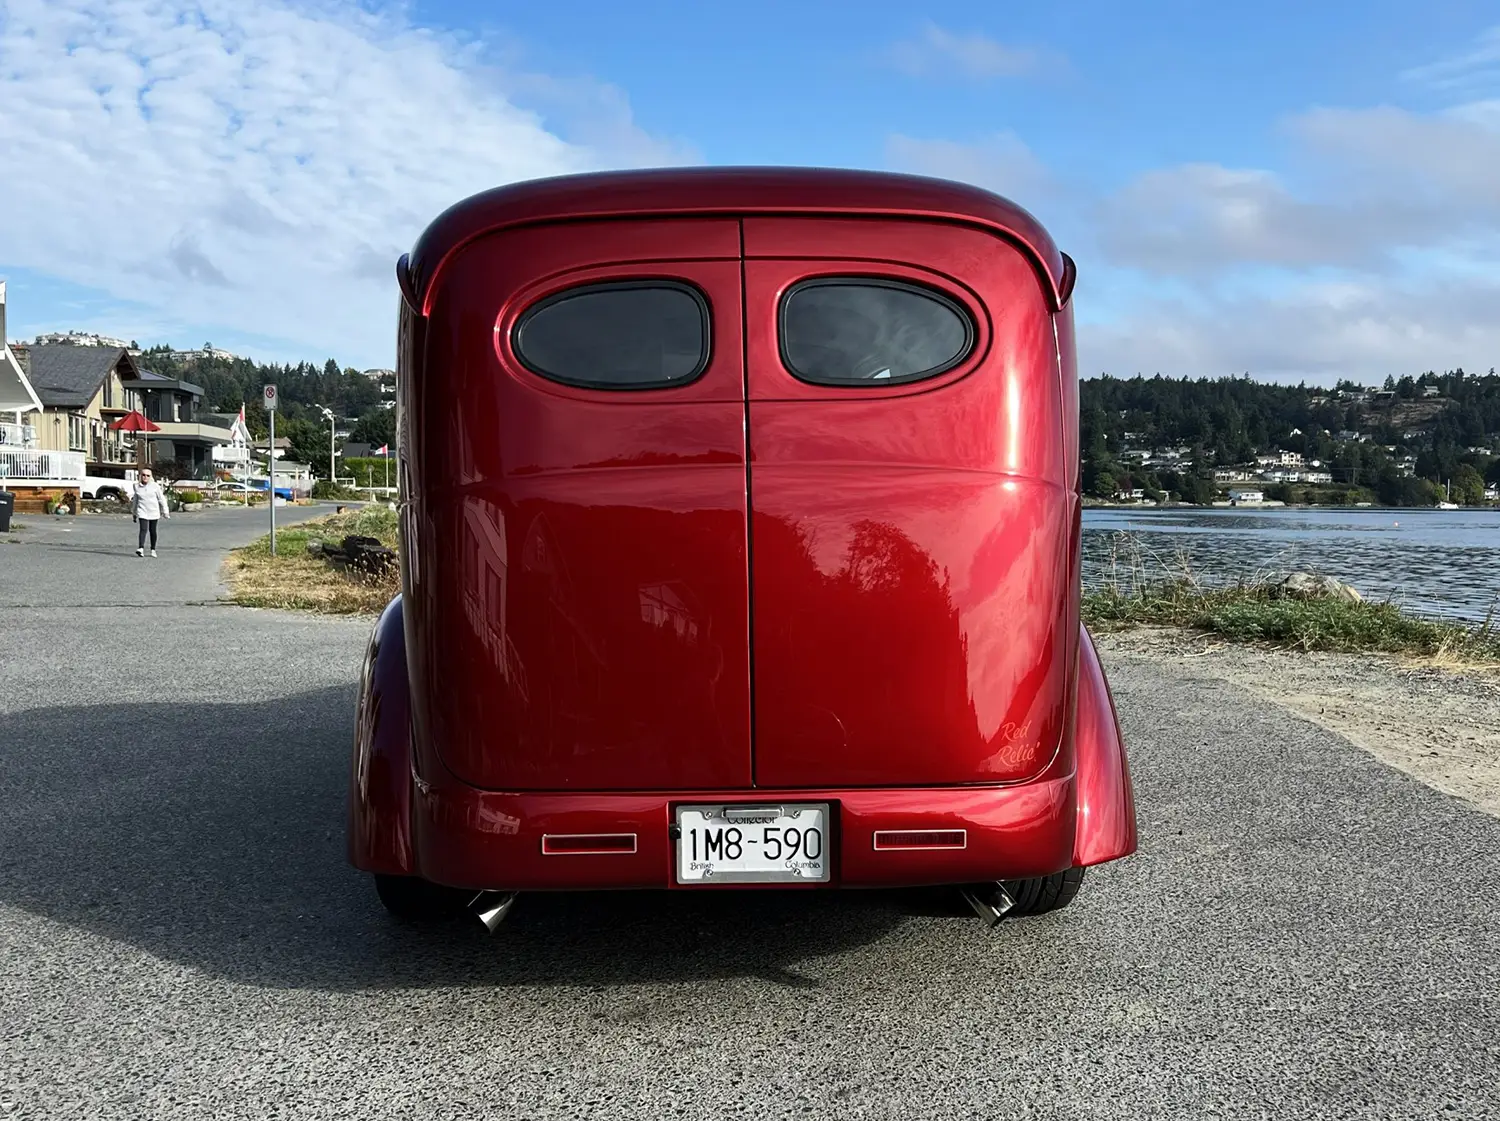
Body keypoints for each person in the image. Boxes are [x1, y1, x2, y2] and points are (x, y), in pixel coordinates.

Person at [130, 468, 170, 557]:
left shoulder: (155, 486)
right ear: (140, 476)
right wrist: (134, 513)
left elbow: (161, 499)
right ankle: (140, 548)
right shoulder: (136, 486)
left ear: (150, 477)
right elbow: (135, 500)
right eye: (143, 475)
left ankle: (153, 549)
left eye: (148, 475)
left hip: (153, 511)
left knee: (153, 531)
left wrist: (165, 511)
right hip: (142, 511)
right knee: (143, 529)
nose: (145, 477)